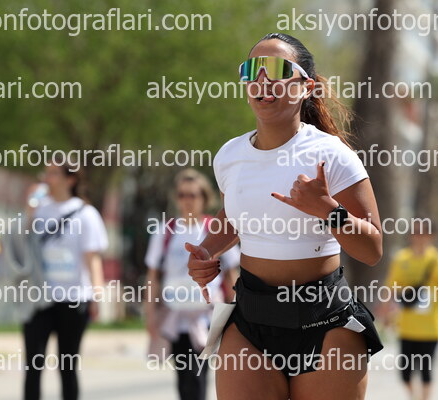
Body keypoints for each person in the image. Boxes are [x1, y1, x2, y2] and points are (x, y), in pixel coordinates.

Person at [186, 33, 384, 400]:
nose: (262, 79)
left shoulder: (332, 154)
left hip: (324, 320)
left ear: (306, 86)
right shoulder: (230, 155)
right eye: (252, 70)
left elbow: (372, 249)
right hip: (251, 320)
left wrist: (328, 211)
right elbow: (235, 215)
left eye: (276, 69)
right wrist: (206, 251)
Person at [145, 168, 240, 400]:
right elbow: (153, 276)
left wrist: (236, 312)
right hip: (175, 317)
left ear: (204, 198)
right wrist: (150, 314)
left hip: (206, 318)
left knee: (197, 376)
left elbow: (231, 274)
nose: (187, 200)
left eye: (193, 195)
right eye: (182, 195)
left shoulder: (215, 230)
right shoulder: (166, 232)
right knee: (183, 377)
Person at [23, 161, 108, 400]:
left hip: (74, 299)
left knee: (67, 365)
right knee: (33, 364)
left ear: (70, 179)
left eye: (53, 173)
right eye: (46, 173)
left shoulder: (86, 213)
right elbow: (22, 240)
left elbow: (92, 259)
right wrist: (30, 206)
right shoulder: (39, 210)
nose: (47, 178)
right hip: (39, 299)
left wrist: (96, 295)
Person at [382, 220, 438, 400]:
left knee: (426, 370)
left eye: (423, 233)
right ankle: (414, 396)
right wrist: (386, 313)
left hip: (432, 327)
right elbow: (391, 288)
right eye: (415, 232)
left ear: (432, 236)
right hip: (406, 326)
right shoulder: (401, 258)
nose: (419, 237)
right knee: (405, 372)